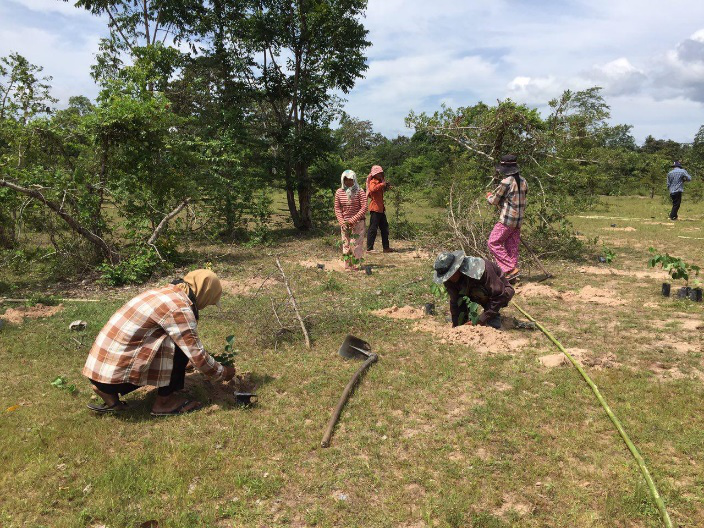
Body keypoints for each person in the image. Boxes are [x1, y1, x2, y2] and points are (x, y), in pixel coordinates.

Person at [83, 269, 236, 415]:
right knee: (179, 345)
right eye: (209, 302)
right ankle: (164, 403)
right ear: (205, 293)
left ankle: (108, 395)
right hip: (113, 376)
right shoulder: (179, 308)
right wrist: (223, 372)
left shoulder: (167, 293)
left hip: (100, 371)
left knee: (178, 343)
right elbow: (198, 356)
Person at [433, 250, 514, 329]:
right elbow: (455, 302)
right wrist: (457, 325)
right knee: (459, 303)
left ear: (457, 268)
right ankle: (466, 320)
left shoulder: (482, 270)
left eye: (450, 275)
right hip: (478, 292)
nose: (449, 278)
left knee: (479, 293)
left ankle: (492, 315)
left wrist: (482, 319)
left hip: (501, 291)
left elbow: (499, 295)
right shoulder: (449, 280)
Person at [486, 154, 528, 282]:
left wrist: (488, 196)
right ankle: (512, 276)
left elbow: (494, 200)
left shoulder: (506, 182)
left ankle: (510, 269)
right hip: (518, 220)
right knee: (512, 246)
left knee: (493, 242)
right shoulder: (523, 181)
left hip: (507, 220)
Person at [334, 169, 367, 271]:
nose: (348, 182)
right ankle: (348, 265)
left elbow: (364, 207)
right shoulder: (339, 192)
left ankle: (356, 264)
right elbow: (337, 208)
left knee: (356, 243)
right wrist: (342, 222)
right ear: (343, 180)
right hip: (344, 223)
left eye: (350, 179)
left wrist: (353, 220)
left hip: (358, 222)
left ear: (354, 180)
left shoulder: (360, 191)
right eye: (346, 179)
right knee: (346, 243)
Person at [365, 165, 393, 252]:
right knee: (373, 229)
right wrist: (382, 184)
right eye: (378, 173)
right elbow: (372, 189)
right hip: (375, 208)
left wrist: (386, 185)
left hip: (381, 209)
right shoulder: (373, 181)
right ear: (375, 174)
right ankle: (369, 248)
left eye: (381, 173)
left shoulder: (380, 181)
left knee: (384, 228)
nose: (380, 174)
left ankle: (386, 247)